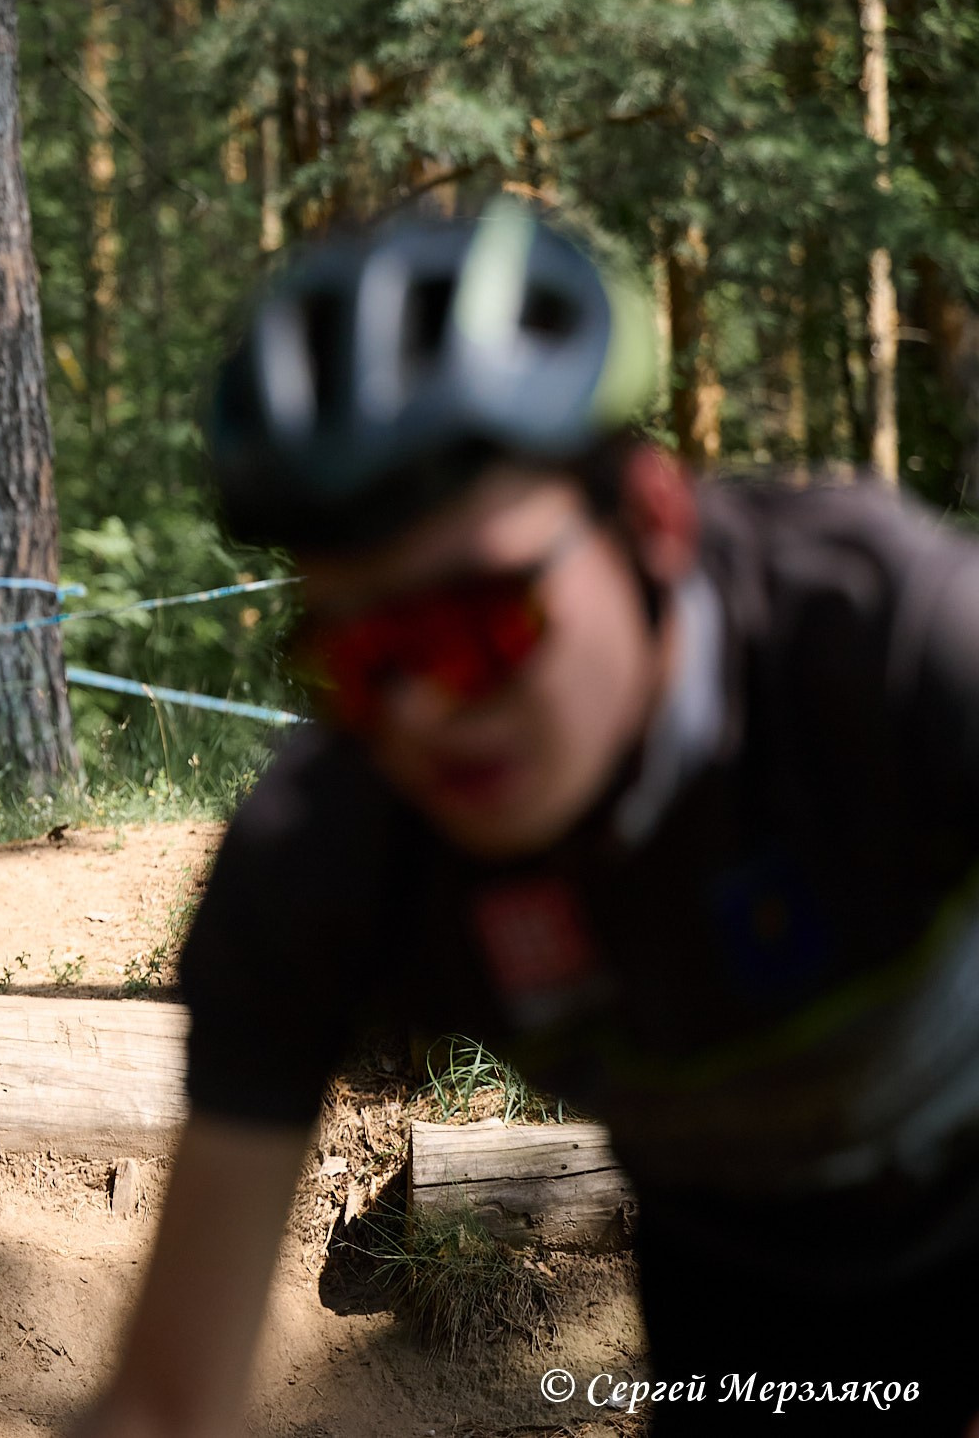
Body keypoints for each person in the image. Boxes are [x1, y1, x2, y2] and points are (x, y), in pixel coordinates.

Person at [71, 204, 979, 1436]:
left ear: (652, 522)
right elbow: (167, 1407)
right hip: (746, 1271)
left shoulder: (884, 650)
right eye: (361, 659)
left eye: (479, 626)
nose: (426, 709)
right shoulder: (328, 855)